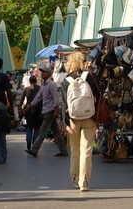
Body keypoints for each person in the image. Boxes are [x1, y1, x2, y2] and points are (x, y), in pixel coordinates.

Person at [60, 51, 99, 192]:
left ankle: (75, 179)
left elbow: (64, 104)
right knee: (87, 151)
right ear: (82, 62)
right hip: (89, 118)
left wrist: (65, 123)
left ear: (69, 64)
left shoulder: (66, 81)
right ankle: (84, 182)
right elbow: (98, 97)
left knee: (75, 151)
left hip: (73, 120)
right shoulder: (90, 77)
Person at [25, 66, 68, 158]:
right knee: (56, 132)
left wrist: (56, 109)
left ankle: (34, 149)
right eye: (42, 72)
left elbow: (55, 98)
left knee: (42, 131)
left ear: (49, 74)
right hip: (47, 111)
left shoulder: (52, 84)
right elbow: (38, 97)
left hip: (50, 111)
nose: (42, 74)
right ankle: (63, 150)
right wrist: (30, 106)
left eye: (44, 72)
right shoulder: (43, 85)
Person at [19, 75, 42, 150]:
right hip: (38, 111)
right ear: (36, 81)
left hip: (28, 111)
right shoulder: (40, 88)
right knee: (36, 129)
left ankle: (28, 143)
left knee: (29, 127)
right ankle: (34, 145)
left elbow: (21, 100)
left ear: (29, 81)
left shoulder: (26, 89)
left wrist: (20, 109)